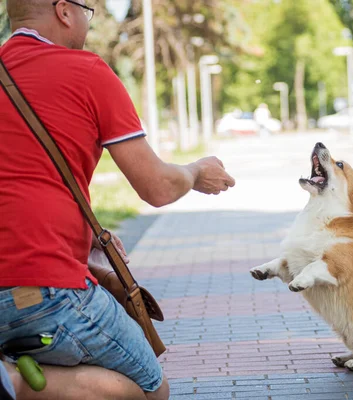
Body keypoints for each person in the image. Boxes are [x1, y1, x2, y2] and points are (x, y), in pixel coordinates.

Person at [0, 1, 235, 399]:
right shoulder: (86, 71)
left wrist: (82, 231)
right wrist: (195, 172)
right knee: (150, 389)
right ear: (64, 11)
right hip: (48, 289)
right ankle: (14, 382)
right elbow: (156, 186)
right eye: (88, 11)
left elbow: (21, 177)